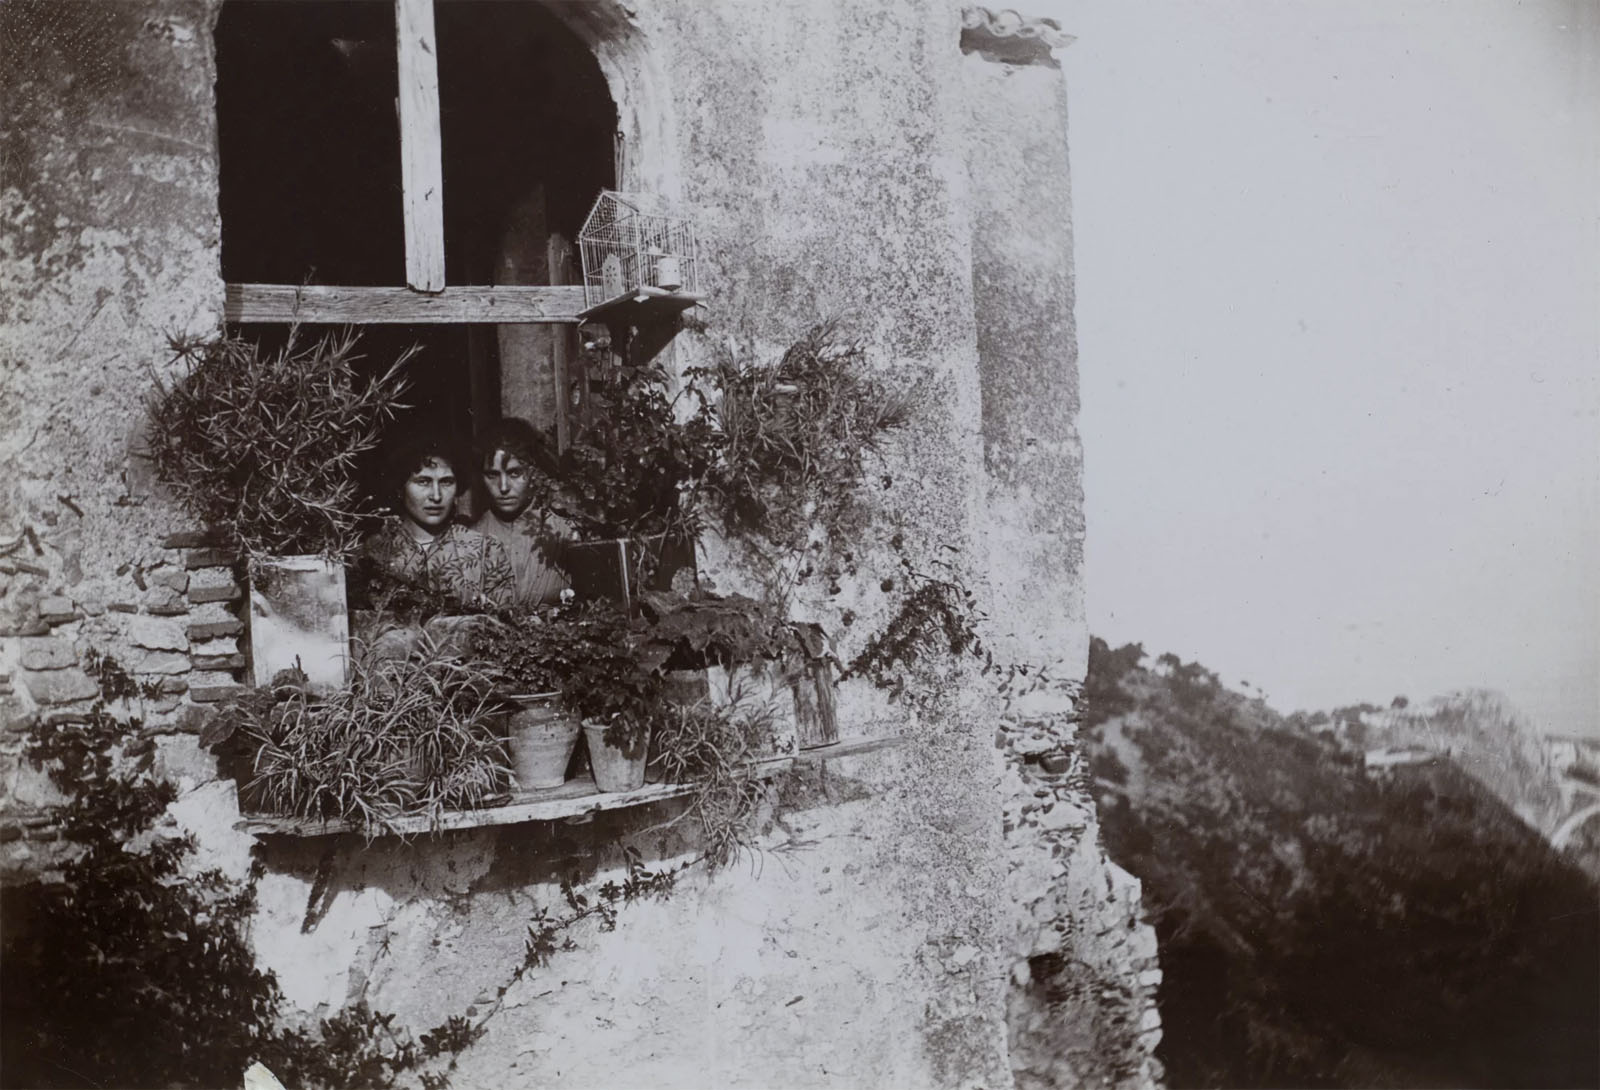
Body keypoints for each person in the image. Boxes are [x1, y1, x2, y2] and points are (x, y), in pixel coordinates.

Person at [363, 435, 514, 612]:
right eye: (423, 482)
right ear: (400, 488)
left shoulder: (486, 551)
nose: (436, 496)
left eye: (446, 482)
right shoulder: (373, 553)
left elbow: (507, 627)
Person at [469, 419, 574, 610]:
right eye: (492, 475)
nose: (503, 487)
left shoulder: (565, 531)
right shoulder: (471, 538)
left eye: (515, 473)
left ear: (534, 472)